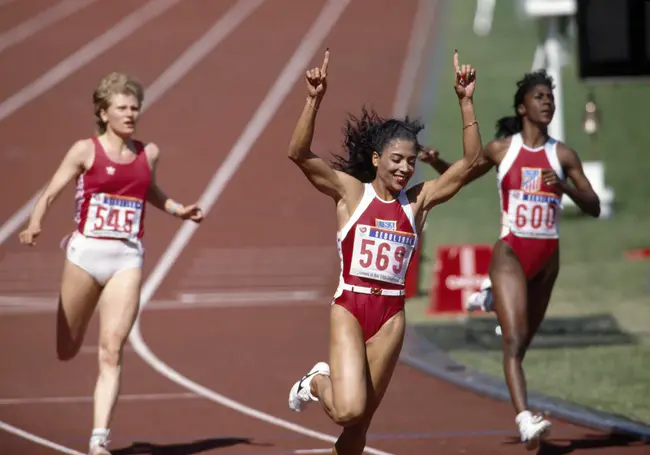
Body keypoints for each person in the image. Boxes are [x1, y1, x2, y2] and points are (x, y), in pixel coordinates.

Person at [286, 48, 482, 454]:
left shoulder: (418, 202)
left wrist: (466, 102)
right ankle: (317, 381)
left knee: (359, 427)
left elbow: (469, 162)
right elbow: (299, 154)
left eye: (411, 162)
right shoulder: (350, 193)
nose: (404, 169)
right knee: (346, 409)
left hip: (391, 316)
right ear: (376, 159)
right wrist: (313, 99)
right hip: (350, 308)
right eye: (396, 160)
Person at [18, 72, 204, 455]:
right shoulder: (84, 151)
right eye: (122, 108)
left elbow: (146, 188)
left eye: (135, 107)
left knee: (111, 349)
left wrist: (176, 209)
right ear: (103, 113)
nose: (130, 114)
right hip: (85, 256)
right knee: (67, 348)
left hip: (126, 257)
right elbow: (51, 192)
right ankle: (75, 325)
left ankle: (99, 440)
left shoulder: (147, 153)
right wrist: (35, 222)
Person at [420, 69, 601, 450]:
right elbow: (462, 177)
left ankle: (491, 299)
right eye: (539, 97)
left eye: (549, 97)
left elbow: (595, 208)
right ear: (522, 107)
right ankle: (524, 418)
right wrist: (438, 164)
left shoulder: (563, 155)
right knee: (514, 341)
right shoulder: (503, 150)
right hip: (511, 254)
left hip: (547, 258)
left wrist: (565, 186)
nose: (547, 102)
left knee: (522, 343)